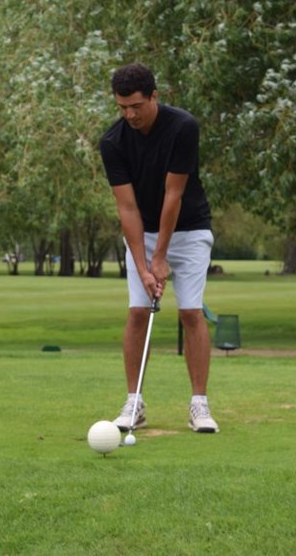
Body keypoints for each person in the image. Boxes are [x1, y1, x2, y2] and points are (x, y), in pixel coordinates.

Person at [99, 63, 219, 434]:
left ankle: (199, 404)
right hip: (143, 234)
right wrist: (144, 264)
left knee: (190, 313)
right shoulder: (112, 142)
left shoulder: (183, 127)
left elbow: (174, 193)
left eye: (136, 105)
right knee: (138, 313)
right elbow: (128, 209)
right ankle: (134, 403)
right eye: (122, 107)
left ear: (154, 95)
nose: (130, 114)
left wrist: (161, 257)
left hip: (190, 229)